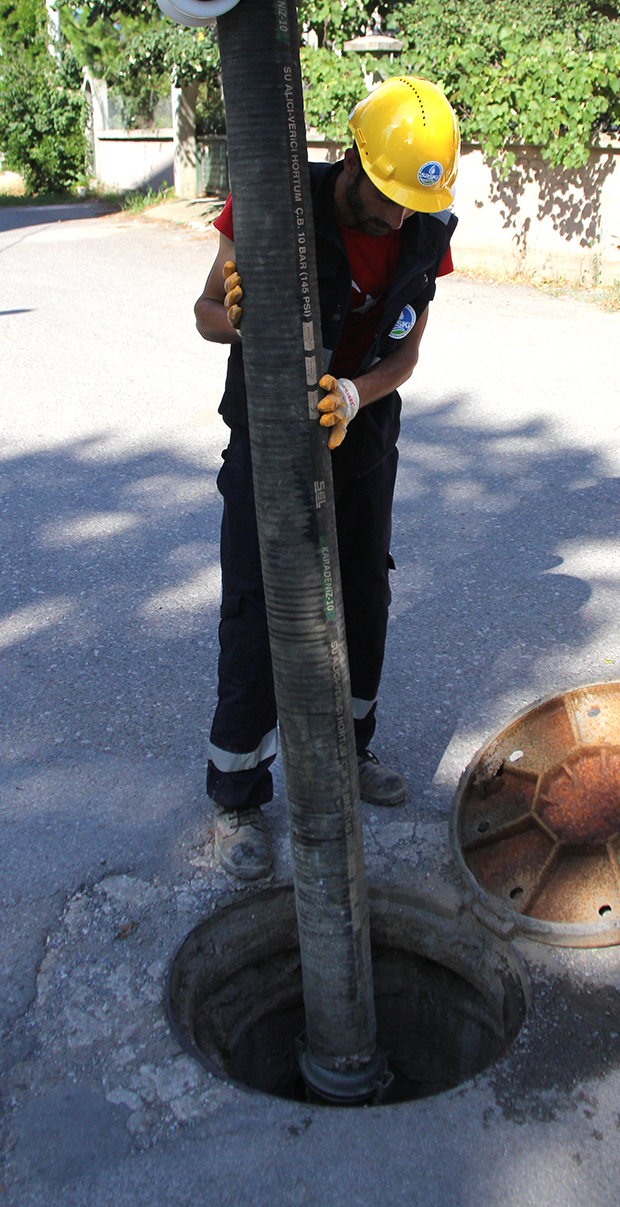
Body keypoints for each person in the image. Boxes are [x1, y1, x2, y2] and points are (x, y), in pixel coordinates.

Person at [194, 75, 459, 880]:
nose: (396, 220)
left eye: (410, 207)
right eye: (384, 201)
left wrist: (355, 393)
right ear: (351, 163)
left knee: (363, 590)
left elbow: (408, 351)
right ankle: (239, 797)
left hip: (362, 423)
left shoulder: (424, 229)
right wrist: (235, 318)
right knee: (257, 599)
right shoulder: (277, 204)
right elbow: (205, 311)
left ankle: (350, 751)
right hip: (272, 424)